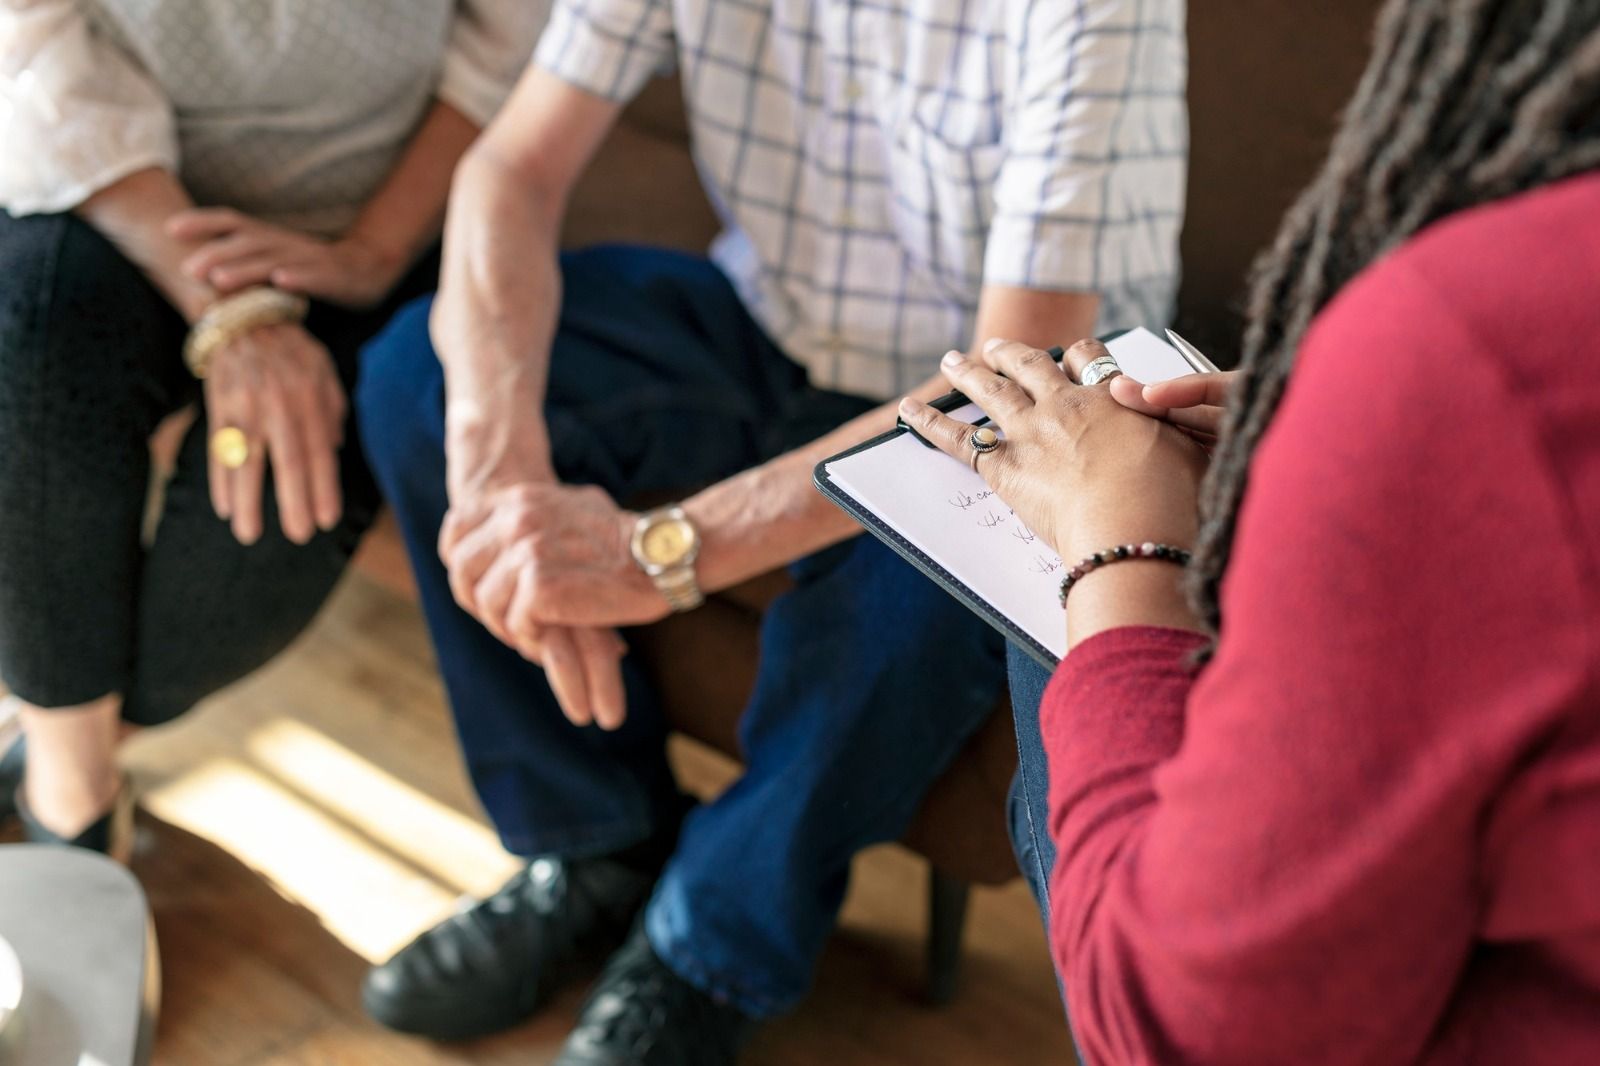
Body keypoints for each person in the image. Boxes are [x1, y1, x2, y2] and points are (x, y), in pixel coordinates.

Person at [354, 0, 1186, 1060]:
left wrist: (661, 551)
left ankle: (704, 946)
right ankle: (595, 840)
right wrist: (503, 468)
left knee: (917, 611)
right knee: (416, 383)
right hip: (766, 324)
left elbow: (1004, 384)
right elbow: (507, 171)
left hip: (1017, 415)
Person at [897, 0, 1600, 1060]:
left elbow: (1191, 1037)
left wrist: (1122, 556)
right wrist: (1337, 454)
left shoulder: (1474, 343)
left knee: (1046, 601)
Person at [0, 0, 545, 858]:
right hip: (123, 193)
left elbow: (509, 54)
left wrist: (369, 253)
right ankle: (71, 800)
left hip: (374, 226)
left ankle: (58, 740)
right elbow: (32, 50)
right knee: (24, 343)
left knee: (267, 529)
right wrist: (233, 316)